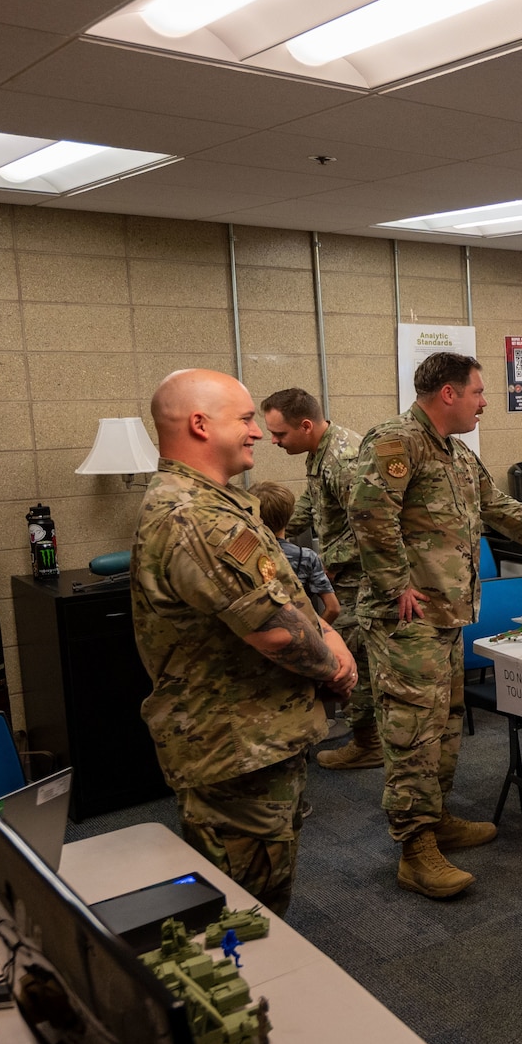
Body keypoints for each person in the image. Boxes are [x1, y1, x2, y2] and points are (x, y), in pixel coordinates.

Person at [130, 370, 358, 916]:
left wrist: (326, 636)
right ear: (200, 424)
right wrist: (336, 667)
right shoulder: (194, 518)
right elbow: (276, 630)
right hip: (234, 746)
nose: (257, 432)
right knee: (244, 906)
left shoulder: (218, 502)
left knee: (261, 882)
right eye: (247, 419)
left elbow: (283, 595)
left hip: (253, 734)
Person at [348, 353, 522, 899]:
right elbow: (368, 513)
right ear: (448, 393)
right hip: (406, 620)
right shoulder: (397, 441)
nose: (486, 402)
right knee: (412, 731)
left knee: (443, 723)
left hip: (443, 617)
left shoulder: (457, 454)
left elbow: (499, 508)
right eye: (479, 392)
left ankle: (434, 821)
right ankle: (415, 851)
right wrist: (395, 586)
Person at [261, 388, 377, 769]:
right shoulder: (320, 451)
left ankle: (368, 742)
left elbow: (371, 525)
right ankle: (366, 733)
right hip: (340, 571)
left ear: (306, 425)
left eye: (279, 435)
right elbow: (311, 506)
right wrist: (271, 535)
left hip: (356, 577)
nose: (273, 441)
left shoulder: (341, 458)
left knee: (350, 652)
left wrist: (325, 562)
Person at [253, 482, 339, 622]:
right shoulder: (306, 557)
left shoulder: (248, 556)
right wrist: (315, 635)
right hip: (300, 634)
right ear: (290, 515)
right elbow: (333, 608)